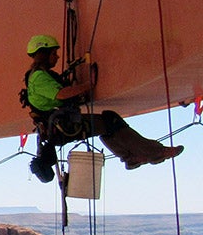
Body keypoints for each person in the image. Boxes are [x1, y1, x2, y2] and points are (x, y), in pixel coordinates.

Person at [22, 34, 182, 182]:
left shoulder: (39, 76)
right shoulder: (38, 77)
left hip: (58, 127)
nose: (56, 56)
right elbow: (62, 94)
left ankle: (130, 158)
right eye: (53, 53)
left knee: (106, 125)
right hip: (62, 126)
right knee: (109, 120)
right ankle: (155, 153)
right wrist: (88, 86)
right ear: (43, 53)